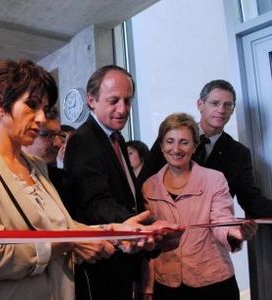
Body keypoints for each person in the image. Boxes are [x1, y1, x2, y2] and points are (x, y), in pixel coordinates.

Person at [0, 59, 176, 300]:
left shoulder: (35, 165)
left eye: (45, 108)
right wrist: (71, 242)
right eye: (32, 105)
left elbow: (68, 229)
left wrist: (123, 232)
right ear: (0, 105)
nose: (42, 118)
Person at [142, 113, 257, 300]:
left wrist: (236, 232)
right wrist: (148, 285)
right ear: (162, 146)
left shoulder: (214, 179)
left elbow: (222, 219)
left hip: (213, 282)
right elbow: (151, 240)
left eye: (184, 142)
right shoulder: (149, 186)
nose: (176, 149)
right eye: (170, 141)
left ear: (195, 146)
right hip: (167, 283)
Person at [64, 65, 150, 300]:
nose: (123, 109)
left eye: (127, 100)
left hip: (124, 258)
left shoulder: (116, 137)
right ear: (91, 100)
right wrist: (141, 228)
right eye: (114, 101)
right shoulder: (83, 141)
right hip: (101, 262)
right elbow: (96, 203)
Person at [139, 79, 272, 217]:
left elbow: (251, 201)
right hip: (166, 227)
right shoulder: (171, 139)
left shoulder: (238, 153)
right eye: (215, 103)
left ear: (233, 110)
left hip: (213, 233)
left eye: (228, 105)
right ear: (200, 104)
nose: (221, 110)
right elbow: (144, 184)